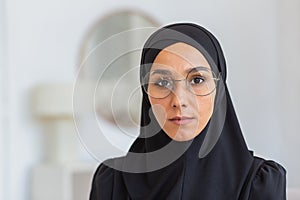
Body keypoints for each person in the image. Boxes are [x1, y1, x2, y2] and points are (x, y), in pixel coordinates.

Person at [89, 23, 286, 199]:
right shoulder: (111, 182)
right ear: (146, 92)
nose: (179, 100)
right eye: (162, 82)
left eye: (197, 80)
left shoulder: (259, 184)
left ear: (219, 90)